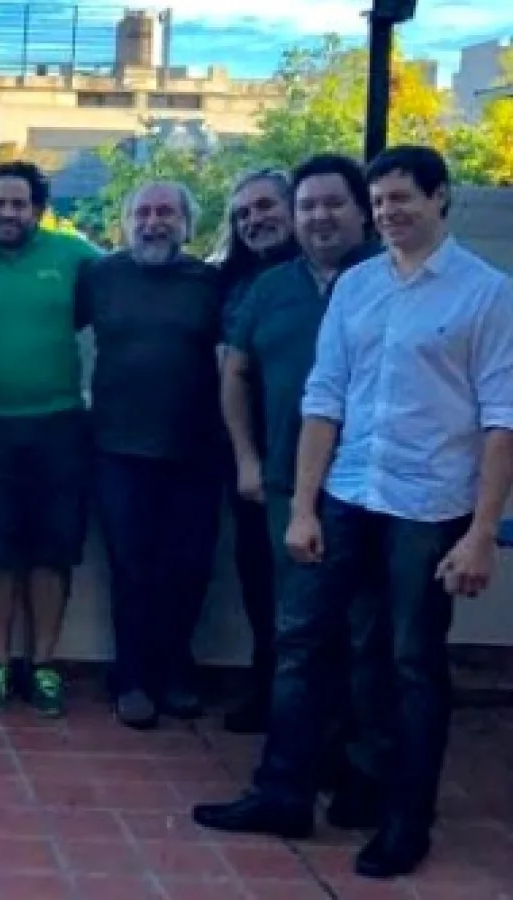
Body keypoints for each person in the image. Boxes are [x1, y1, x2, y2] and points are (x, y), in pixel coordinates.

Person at [202, 146, 513, 880]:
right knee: (300, 641)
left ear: (440, 198)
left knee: (409, 662)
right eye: (380, 201)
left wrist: (480, 533)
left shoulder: (487, 294)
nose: (389, 212)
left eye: (402, 198)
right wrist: (304, 508)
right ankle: (282, 793)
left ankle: (405, 820)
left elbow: (502, 419)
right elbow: (325, 397)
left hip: (427, 506)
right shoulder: (358, 286)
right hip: (345, 494)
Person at [195, 153, 388, 848]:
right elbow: (234, 374)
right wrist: (247, 460)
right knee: (298, 639)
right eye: (308, 206)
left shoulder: (390, 279)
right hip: (288, 487)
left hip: (378, 489)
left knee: (370, 638)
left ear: (362, 210)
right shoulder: (269, 288)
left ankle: (363, 777)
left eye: (332, 204)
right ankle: (285, 788)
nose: (318, 218)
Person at [0, 160, 101, 718]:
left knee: (53, 549)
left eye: (20, 204)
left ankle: (45, 665)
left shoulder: (75, 257)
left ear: (38, 209)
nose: (8, 213)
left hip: (59, 424)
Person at [77, 181, 223, 729]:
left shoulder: (210, 282)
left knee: (189, 567)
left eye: (166, 213)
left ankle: (176, 671)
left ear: (187, 223)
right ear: (125, 222)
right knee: (131, 568)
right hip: (117, 447)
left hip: (195, 449)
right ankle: (132, 678)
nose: (153, 222)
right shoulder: (100, 277)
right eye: (143, 212)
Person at [213, 168, 299, 734]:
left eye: (265, 207)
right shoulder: (234, 283)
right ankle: (268, 687)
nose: (254, 220)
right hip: (250, 453)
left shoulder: (336, 278)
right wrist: (246, 458)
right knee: (258, 576)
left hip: (320, 454)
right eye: (243, 214)